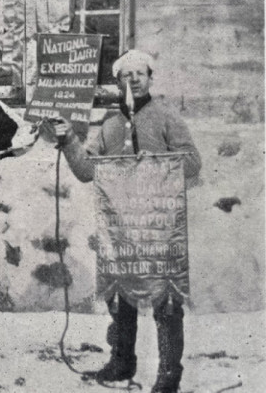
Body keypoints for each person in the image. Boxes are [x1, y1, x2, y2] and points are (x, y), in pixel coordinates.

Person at [41, 50, 201, 393]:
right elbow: (86, 171)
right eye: (126, 76)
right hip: (122, 230)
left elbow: (193, 164)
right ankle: (122, 361)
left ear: (150, 77)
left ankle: (169, 374)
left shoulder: (167, 119)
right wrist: (69, 139)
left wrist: (156, 161)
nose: (133, 81)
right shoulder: (110, 127)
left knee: (167, 302)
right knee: (121, 296)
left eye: (139, 74)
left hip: (160, 227)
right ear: (118, 82)